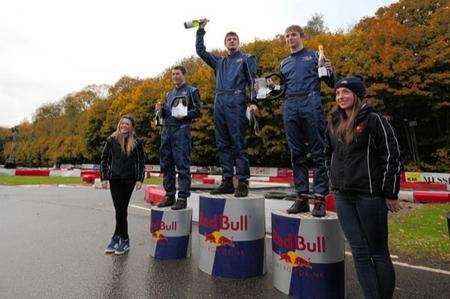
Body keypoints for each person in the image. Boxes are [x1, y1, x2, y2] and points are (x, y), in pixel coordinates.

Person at [326, 76, 402, 298]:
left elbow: (391, 155)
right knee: (359, 252)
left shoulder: (374, 119)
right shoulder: (333, 121)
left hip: (369, 197)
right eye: (338, 93)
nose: (340, 96)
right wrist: (333, 181)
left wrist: (390, 192)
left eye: (346, 92)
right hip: (343, 196)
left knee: (378, 253)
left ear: (357, 95)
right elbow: (325, 154)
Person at [195, 19, 258, 197]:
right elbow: (200, 51)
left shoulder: (246, 58)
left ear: (238, 43)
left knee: (238, 142)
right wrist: (200, 31)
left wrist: (254, 103)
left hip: (237, 99)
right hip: (220, 101)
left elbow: (254, 82)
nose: (231, 41)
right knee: (222, 144)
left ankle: (243, 181)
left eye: (234, 39)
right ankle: (227, 181)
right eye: (228, 39)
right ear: (225, 43)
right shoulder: (219, 61)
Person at [280, 25, 335, 217]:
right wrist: (267, 89)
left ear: (302, 36)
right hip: (289, 105)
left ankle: (319, 198)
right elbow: (280, 90)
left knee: (318, 150)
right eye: (287, 36)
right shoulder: (284, 63)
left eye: (293, 35)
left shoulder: (314, 56)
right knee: (296, 152)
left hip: (310, 102)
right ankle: (301, 197)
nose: (290, 38)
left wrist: (330, 70)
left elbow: (331, 83)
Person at [155, 66, 201, 210]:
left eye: (178, 74)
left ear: (184, 75)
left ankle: (182, 197)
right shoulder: (169, 94)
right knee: (166, 164)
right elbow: (167, 114)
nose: (175, 76)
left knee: (182, 165)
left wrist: (185, 114)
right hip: (167, 130)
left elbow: (198, 111)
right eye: (173, 74)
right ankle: (169, 195)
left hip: (181, 130)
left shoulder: (192, 91)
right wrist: (160, 110)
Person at [100, 115, 145, 255]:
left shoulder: (136, 142)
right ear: (119, 124)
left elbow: (140, 162)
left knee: (122, 209)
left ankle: (121, 239)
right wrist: (104, 178)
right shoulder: (111, 140)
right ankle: (120, 237)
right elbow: (104, 159)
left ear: (131, 127)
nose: (124, 126)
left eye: (127, 124)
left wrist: (140, 179)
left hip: (129, 180)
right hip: (115, 179)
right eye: (122, 123)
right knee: (119, 210)